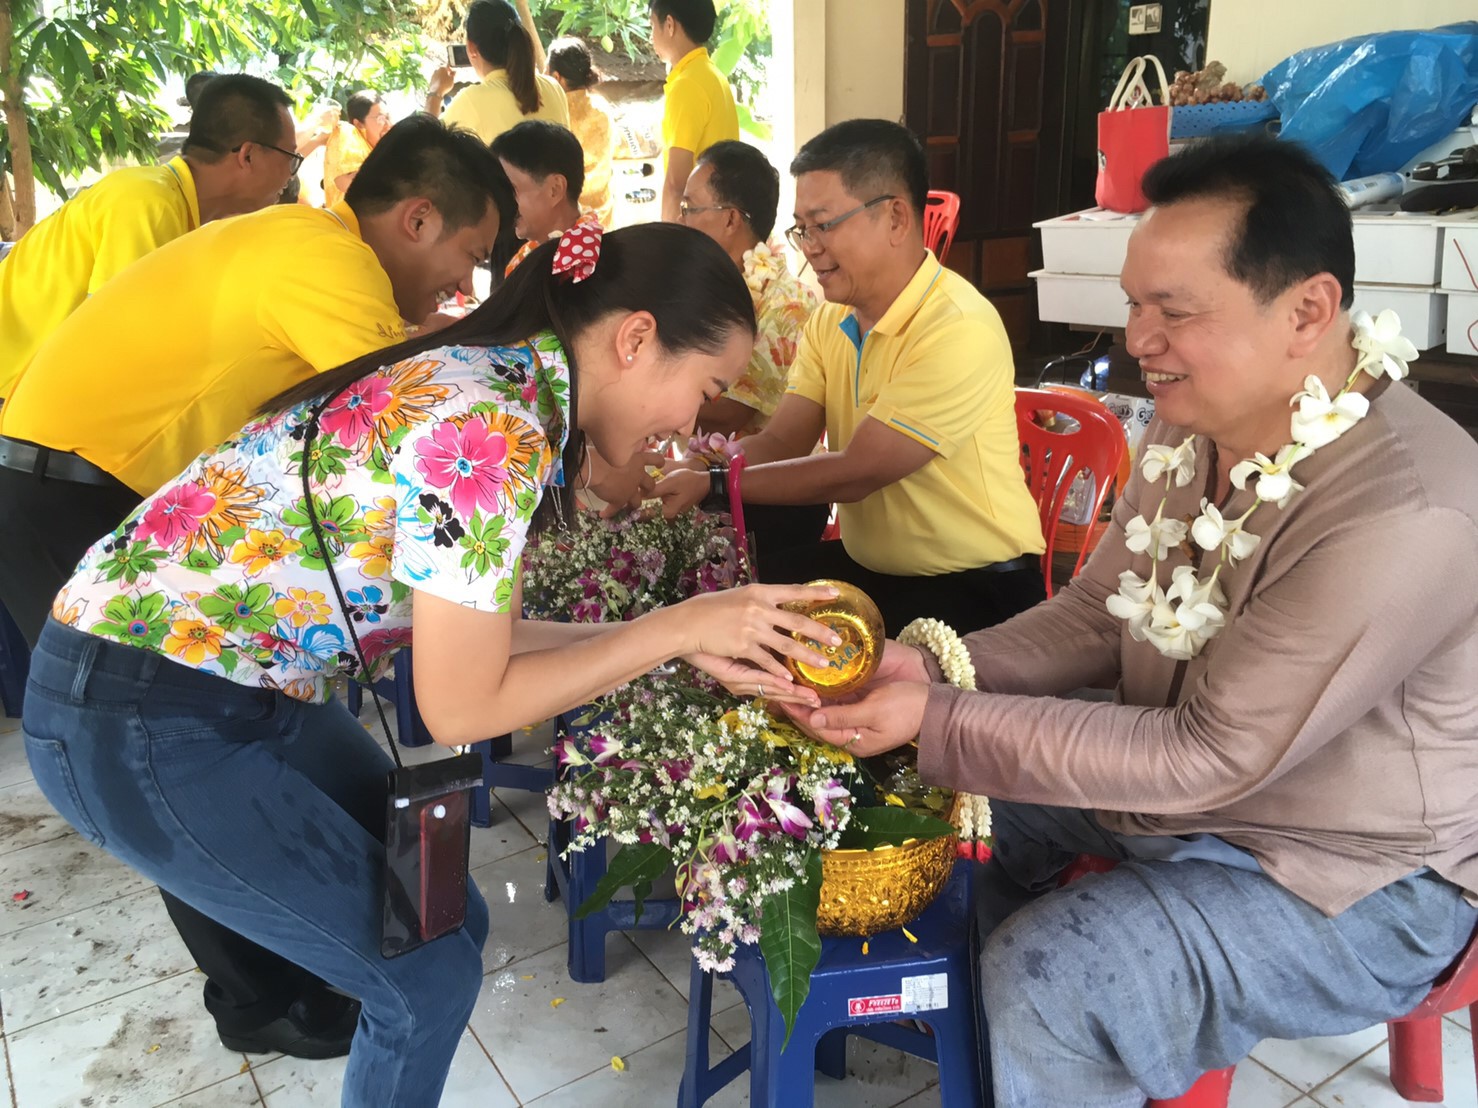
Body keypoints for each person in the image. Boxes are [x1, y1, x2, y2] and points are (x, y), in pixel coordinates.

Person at [23, 221, 841, 1108]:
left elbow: (486, 646)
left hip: (239, 693)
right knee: (424, 974)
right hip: (134, 710)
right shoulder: (494, 422)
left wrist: (680, 640)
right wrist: (679, 626)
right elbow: (457, 706)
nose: (691, 423)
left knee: (446, 914)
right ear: (636, 338)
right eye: (706, 388)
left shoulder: (505, 386)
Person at [789, 133, 1478, 1107]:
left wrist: (941, 718)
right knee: (908, 803)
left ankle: (1036, 1033)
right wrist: (930, 665)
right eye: (1131, 304)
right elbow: (1088, 617)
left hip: (1353, 869)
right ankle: (984, 1048)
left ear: (1306, 311)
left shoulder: (1400, 508)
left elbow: (1205, 757)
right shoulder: (1191, 425)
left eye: (1172, 310)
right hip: (1179, 791)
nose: (1134, 340)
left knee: (1052, 975)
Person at [0, 115, 509, 1061]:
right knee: (154, 762)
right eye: (468, 258)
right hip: (67, 487)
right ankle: (263, 998)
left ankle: (298, 959)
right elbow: (409, 405)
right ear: (420, 217)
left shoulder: (308, 242)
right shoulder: (329, 263)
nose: (463, 287)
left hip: (88, 477)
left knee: (219, 736)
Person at [657, 119, 1045, 637]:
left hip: (977, 587)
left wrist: (713, 485)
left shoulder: (957, 326)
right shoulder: (828, 321)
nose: (810, 247)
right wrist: (692, 465)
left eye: (825, 224)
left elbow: (858, 472)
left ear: (896, 218)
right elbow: (783, 439)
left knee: (805, 674)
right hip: (873, 572)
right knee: (726, 610)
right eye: (801, 229)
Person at [0, 74, 297, 400]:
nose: (290, 174)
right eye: (290, 158)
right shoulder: (148, 203)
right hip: (15, 398)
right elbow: (123, 348)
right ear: (248, 155)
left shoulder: (175, 209)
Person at [679, 140, 817, 437]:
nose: (681, 220)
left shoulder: (789, 303)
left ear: (730, 219)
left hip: (761, 475)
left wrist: (634, 406)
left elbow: (729, 414)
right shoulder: (704, 287)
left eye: (689, 208)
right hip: (696, 469)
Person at [424, 0, 568, 143]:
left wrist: (435, 93)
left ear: (472, 49)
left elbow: (424, 148)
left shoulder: (472, 101)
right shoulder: (554, 87)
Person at [648, 0, 738, 223]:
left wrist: (665, 240)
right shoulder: (713, 76)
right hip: (723, 216)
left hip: (701, 223)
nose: (651, 37)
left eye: (652, 26)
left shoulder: (687, 84)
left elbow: (676, 182)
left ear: (669, 24)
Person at [492, 119, 595, 276]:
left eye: (511, 190)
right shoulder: (531, 254)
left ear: (555, 189)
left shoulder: (592, 266)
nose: (502, 202)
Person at [546, 36, 617, 228]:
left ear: (556, 77)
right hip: (603, 219)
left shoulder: (554, 113)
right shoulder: (602, 107)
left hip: (568, 226)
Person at [323, 90, 392, 207]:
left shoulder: (378, 148)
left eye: (388, 117)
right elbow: (351, 185)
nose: (388, 124)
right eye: (381, 119)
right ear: (359, 124)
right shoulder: (346, 132)